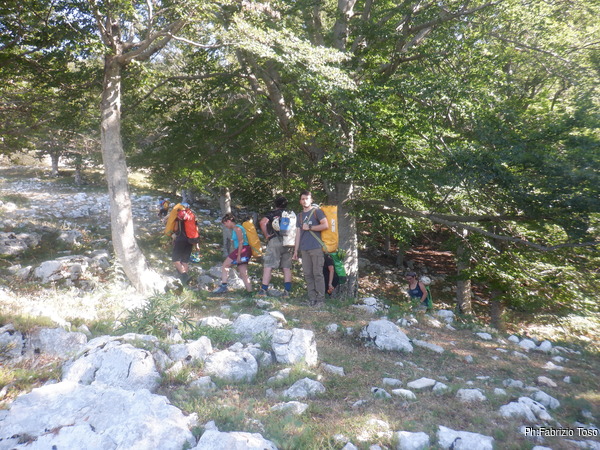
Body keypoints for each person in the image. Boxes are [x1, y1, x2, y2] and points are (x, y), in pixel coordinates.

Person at [292, 190, 328, 306]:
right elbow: (298, 234)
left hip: (316, 247)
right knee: (308, 274)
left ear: (311, 200)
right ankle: (312, 298)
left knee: (318, 273)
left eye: (307, 199)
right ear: (300, 201)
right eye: (303, 199)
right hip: (304, 248)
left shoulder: (317, 212)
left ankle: (320, 300)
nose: (305, 201)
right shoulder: (299, 216)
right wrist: (295, 250)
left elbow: (325, 225)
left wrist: (310, 227)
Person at [258, 196, 293, 297]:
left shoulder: (272, 213)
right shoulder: (290, 214)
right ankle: (287, 292)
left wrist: (267, 235)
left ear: (275, 204)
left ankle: (263, 290)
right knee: (286, 267)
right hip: (288, 242)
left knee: (268, 265)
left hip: (275, 240)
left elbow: (262, 222)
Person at [213, 213, 253, 294]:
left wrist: (238, 256)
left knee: (225, 265)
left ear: (229, 221)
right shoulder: (237, 228)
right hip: (245, 250)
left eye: (225, 223)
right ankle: (250, 292)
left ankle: (224, 286)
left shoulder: (237, 228)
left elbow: (241, 242)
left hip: (242, 250)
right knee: (243, 273)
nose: (225, 226)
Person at [171, 202, 196, 285]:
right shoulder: (192, 216)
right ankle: (186, 282)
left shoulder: (179, 216)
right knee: (185, 261)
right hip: (190, 240)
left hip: (181, 239)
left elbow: (176, 229)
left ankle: (184, 276)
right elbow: (196, 228)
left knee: (176, 259)